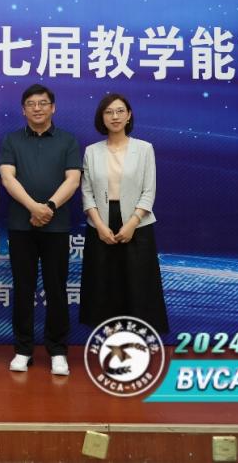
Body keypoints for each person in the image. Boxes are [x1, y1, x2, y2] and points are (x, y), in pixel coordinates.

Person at [0, 84, 81, 376]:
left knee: (56, 289)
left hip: (56, 227)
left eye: (43, 103)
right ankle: (23, 349)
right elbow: (7, 178)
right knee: (23, 288)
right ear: (23, 110)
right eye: (31, 104)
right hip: (21, 226)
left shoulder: (68, 140)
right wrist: (33, 207)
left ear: (53, 107)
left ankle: (57, 351)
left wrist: (49, 208)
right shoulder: (11, 140)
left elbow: (73, 180)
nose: (37, 108)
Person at [79, 93, 169, 333]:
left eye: (120, 111)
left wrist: (132, 223)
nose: (115, 116)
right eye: (109, 112)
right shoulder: (91, 151)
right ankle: (109, 339)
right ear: (102, 118)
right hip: (101, 224)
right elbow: (87, 193)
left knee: (137, 286)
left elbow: (149, 191)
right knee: (104, 285)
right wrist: (99, 225)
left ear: (129, 115)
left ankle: (136, 338)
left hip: (137, 223)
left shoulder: (144, 148)